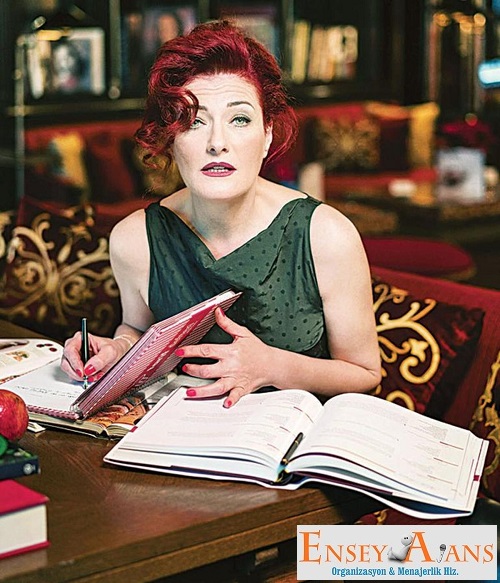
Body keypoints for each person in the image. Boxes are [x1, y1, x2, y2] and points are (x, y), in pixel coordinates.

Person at [61, 20, 381, 408]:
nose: (217, 143)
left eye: (239, 119)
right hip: (181, 430)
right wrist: (117, 349)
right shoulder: (135, 239)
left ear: (267, 135)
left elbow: (366, 374)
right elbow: (138, 329)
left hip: (292, 435)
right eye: (194, 122)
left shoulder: (325, 234)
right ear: (171, 140)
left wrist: (273, 365)